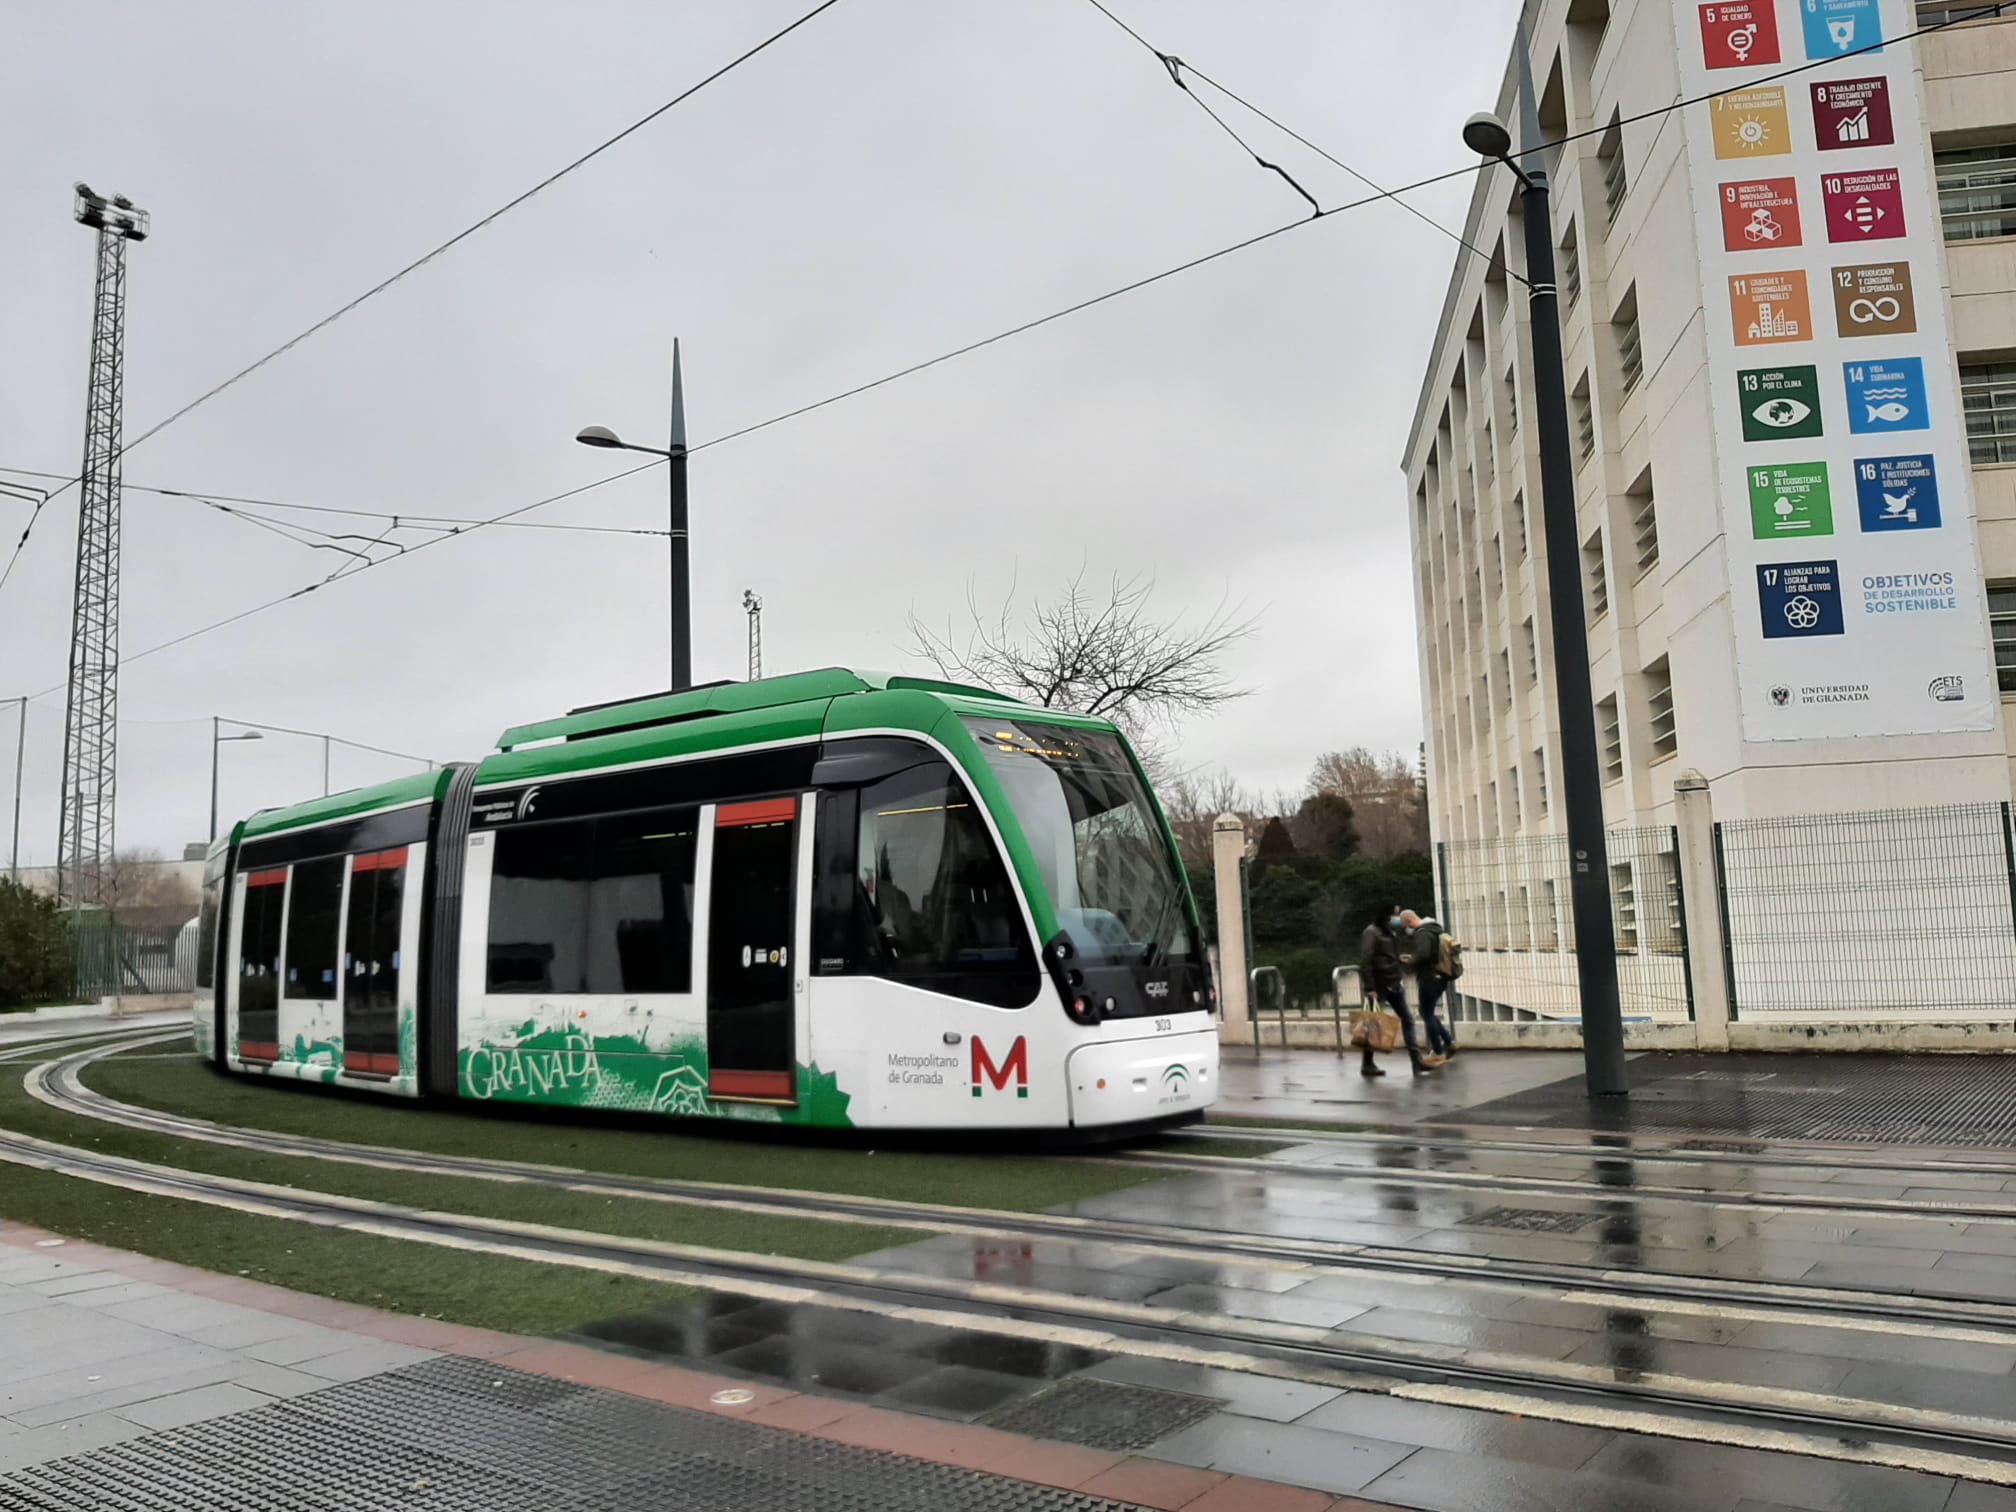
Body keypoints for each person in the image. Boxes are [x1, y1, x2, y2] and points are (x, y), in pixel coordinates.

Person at [1358, 902, 1437, 1077]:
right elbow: (1366, 961)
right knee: (1372, 1024)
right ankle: (1367, 1063)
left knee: (1407, 1020)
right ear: (1385, 915)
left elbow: (1386, 956)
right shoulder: (1371, 932)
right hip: (1379, 985)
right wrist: (1370, 988)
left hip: (1393, 982)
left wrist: (1398, 961)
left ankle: (1416, 1060)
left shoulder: (1388, 932)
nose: (1397, 918)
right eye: (1394, 914)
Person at [1400, 908, 1457, 1059]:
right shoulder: (1435, 929)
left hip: (1429, 977)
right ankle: (1448, 1042)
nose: (1406, 929)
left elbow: (1424, 954)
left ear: (1408, 921)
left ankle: (1438, 1051)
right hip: (1441, 976)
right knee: (1428, 1012)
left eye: (1405, 925)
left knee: (1426, 1014)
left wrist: (1409, 961)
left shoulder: (1422, 933)